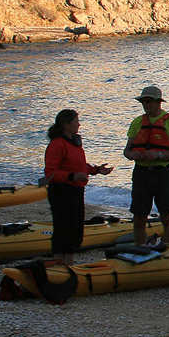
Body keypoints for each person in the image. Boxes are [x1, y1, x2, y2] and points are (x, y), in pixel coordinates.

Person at [43, 109, 113, 266]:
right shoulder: (57, 144)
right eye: (76, 122)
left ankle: (68, 263)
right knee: (63, 229)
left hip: (76, 190)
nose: (78, 125)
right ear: (66, 124)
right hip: (62, 191)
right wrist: (71, 176)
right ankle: (61, 265)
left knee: (74, 230)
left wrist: (96, 170)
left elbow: (78, 166)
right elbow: (50, 173)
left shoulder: (74, 143)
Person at [123, 85, 169, 246]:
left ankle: (168, 248)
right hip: (141, 173)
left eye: (149, 102)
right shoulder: (137, 123)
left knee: (167, 216)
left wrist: (158, 155)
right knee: (139, 217)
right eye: (144, 102)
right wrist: (133, 155)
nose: (146, 105)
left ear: (158, 102)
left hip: (163, 173)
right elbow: (127, 150)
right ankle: (140, 248)